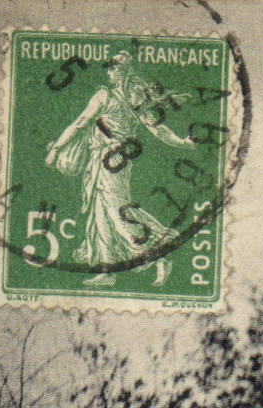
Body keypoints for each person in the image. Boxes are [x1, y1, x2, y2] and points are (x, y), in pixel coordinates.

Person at [44, 52, 196, 286]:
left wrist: (56, 149)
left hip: (112, 159)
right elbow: (83, 122)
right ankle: (107, 271)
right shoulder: (127, 97)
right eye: (109, 68)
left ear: (124, 70)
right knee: (100, 214)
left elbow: (82, 122)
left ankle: (160, 253)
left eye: (114, 68)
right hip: (104, 159)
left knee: (117, 212)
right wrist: (183, 142)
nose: (109, 72)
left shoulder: (111, 97)